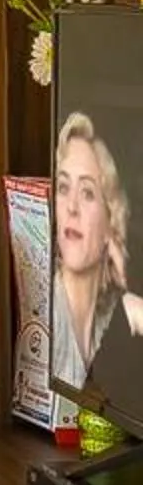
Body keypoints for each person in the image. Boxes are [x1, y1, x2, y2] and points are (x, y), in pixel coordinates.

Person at [52, 110, 143, 404]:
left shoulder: (116, 316)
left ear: (111, 219)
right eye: (63, 188)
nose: (72, 207)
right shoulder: (47, 311)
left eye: (88, 193)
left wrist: (128, 300)